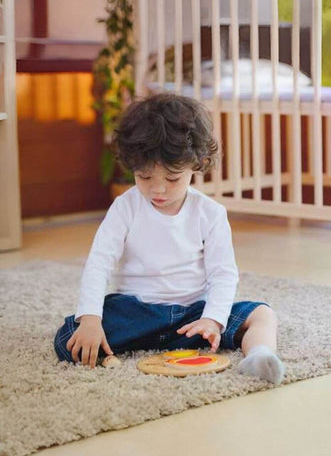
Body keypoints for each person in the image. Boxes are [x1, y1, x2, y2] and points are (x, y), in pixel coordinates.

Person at [54, 93, 285, 385]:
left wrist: (212, 320)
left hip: (193, 316)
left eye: (173, 179)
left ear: (197, 164)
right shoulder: (125, 208)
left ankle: (259, 356)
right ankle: (137, 338)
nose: (157, 190)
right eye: (144, 177)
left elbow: (223, 275)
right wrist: (90, 320)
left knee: (262, 314)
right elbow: (99, 265)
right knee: (68, 337)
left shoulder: (210, 213)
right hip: (138, 312)